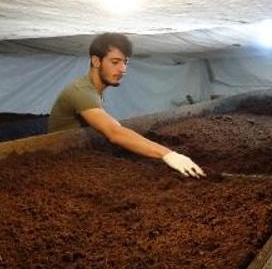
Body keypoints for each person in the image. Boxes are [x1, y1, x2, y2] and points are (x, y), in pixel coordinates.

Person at [48, 32, 206, 178]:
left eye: (125, 62)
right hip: (63, 165)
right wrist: (167, 154)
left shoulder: (94, 90)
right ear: (96, 61)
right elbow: (114, 133)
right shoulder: (81, 91)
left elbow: (113, 128)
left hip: (82, 157)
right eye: (115, 62)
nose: (123, 69)